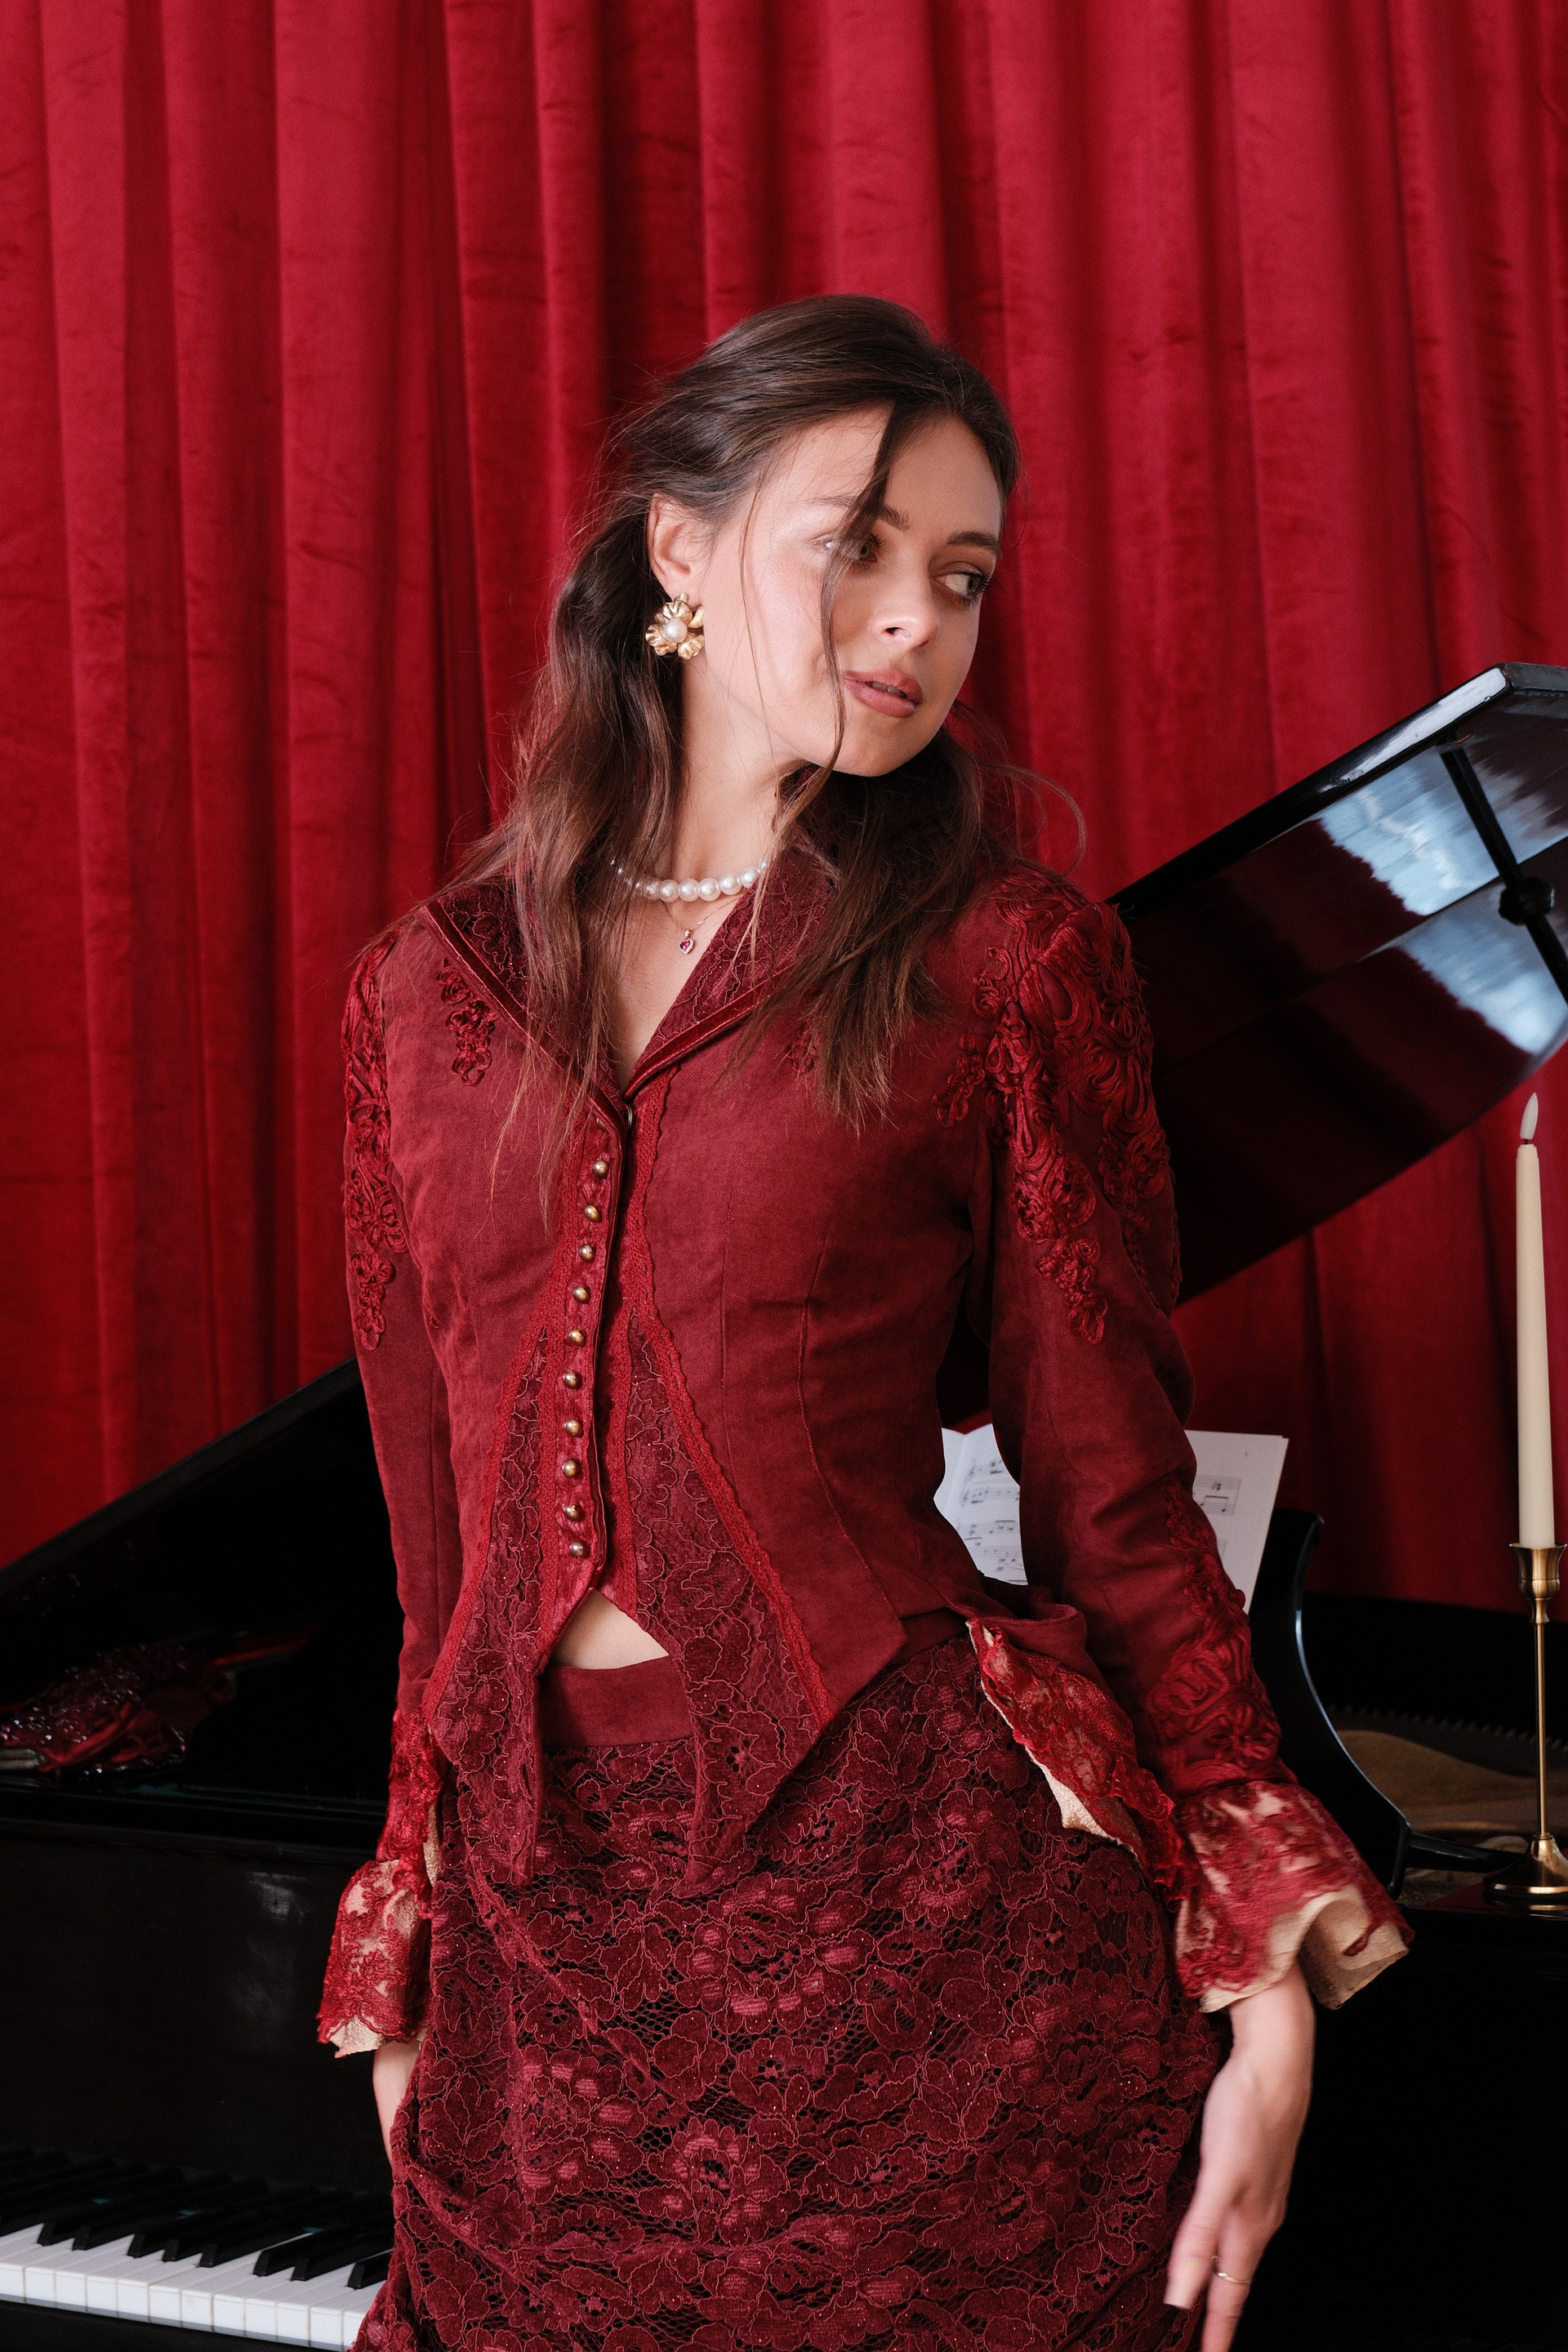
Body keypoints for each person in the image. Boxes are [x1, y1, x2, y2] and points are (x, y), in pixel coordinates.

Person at [318, 295, 1406, 2352]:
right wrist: (409, 1919)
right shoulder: (417, 996)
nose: (918, 619)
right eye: (860, 545)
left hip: (924, 1917)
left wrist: (1262, 1959)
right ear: (675, 545)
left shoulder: (1006, 961)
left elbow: (1110, 1489)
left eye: (964, 576)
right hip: (543, 1950)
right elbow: (432, 1543)